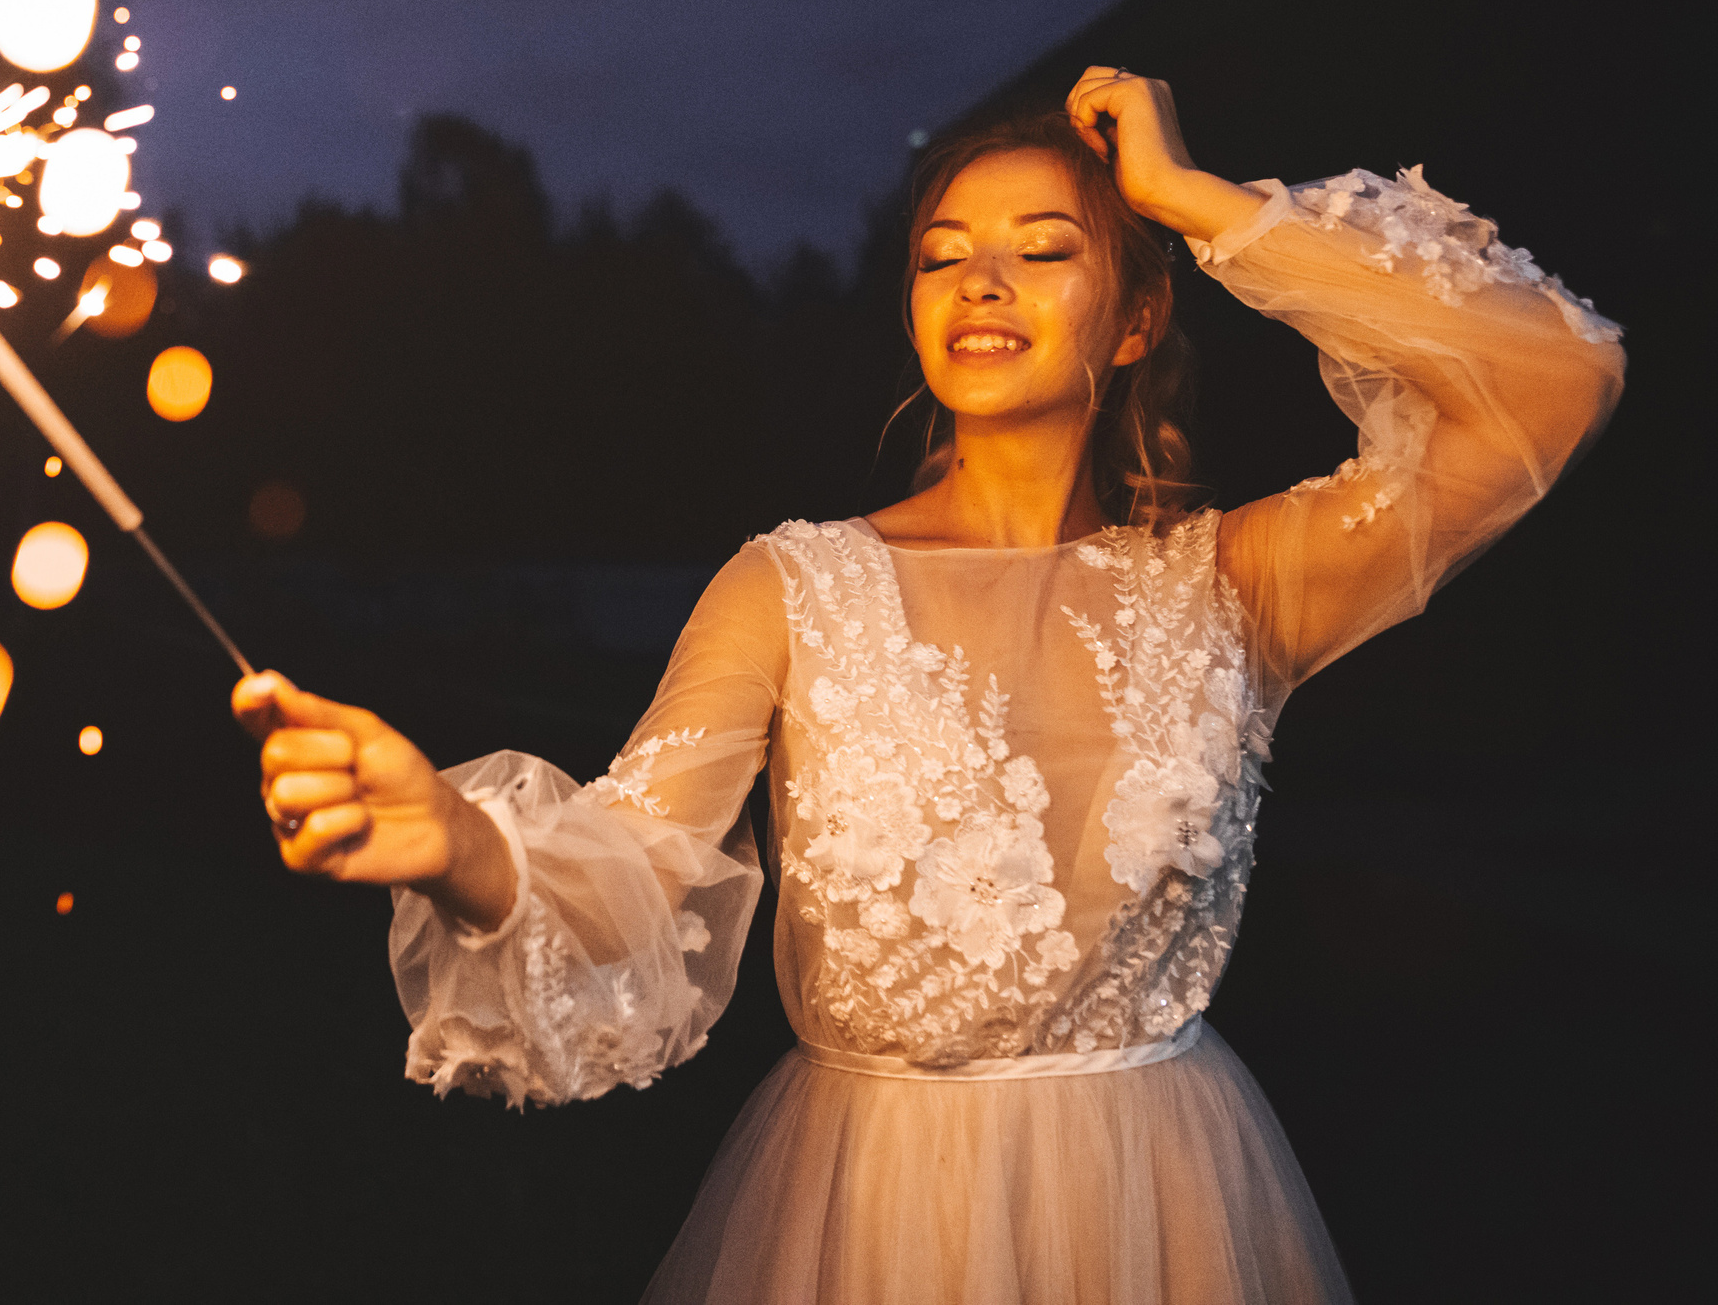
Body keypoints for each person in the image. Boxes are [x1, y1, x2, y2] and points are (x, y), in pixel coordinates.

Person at [234, 68, 1623, 1303]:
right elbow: (639, 870)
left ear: (1138, 316)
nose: (980, 284)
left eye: (1043, 250)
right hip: (868, 1218)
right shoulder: (793, 588)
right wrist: (467, 845)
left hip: (1167, 1213)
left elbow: (1556, 380)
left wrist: (1193, 200)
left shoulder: (1236, 587)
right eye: (943, 256)